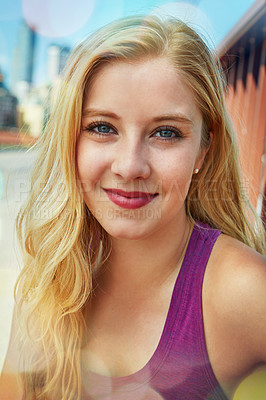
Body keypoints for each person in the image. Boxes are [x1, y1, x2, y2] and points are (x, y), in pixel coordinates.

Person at [0, 14, 265, 400]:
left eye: (166, 132)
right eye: (103, 127)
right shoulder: (50, 279)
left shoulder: (243, 291)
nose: (129, 166)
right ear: (72, 139)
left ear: (203, 151)